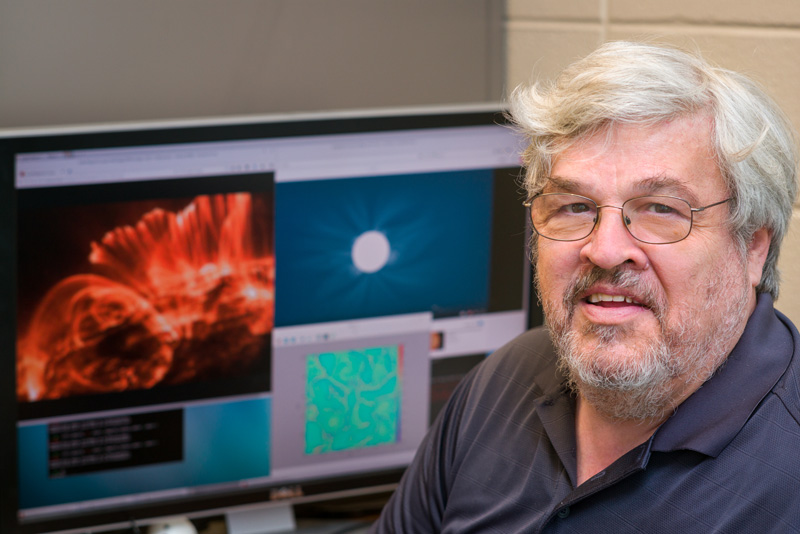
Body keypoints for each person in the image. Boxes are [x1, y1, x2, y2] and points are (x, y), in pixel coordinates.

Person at [369, 41, 800, 533]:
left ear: (753, 248)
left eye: (661, 209)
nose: (605, 249)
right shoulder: (505, 380)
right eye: (574, 207)